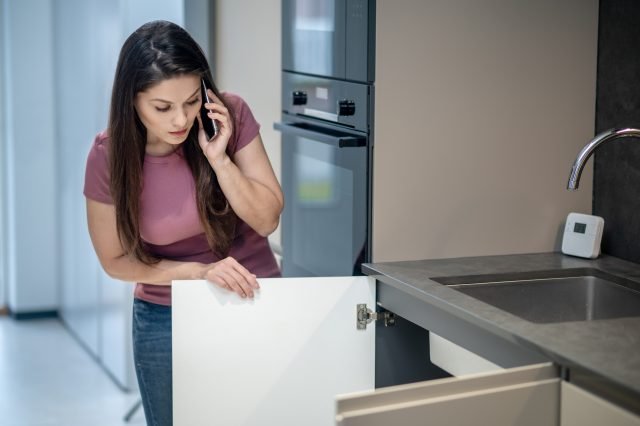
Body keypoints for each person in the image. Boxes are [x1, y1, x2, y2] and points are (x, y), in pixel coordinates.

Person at [83, 20, 283, 426]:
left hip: (254, 296)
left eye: (192, 101)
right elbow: (115, 260)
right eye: (162, 107)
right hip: (165, 314)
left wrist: (219, 159)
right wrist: (201, 272)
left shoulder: (230, 114)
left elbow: (266, 220)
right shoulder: (109, 156)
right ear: (132, 101)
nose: (181, 119)